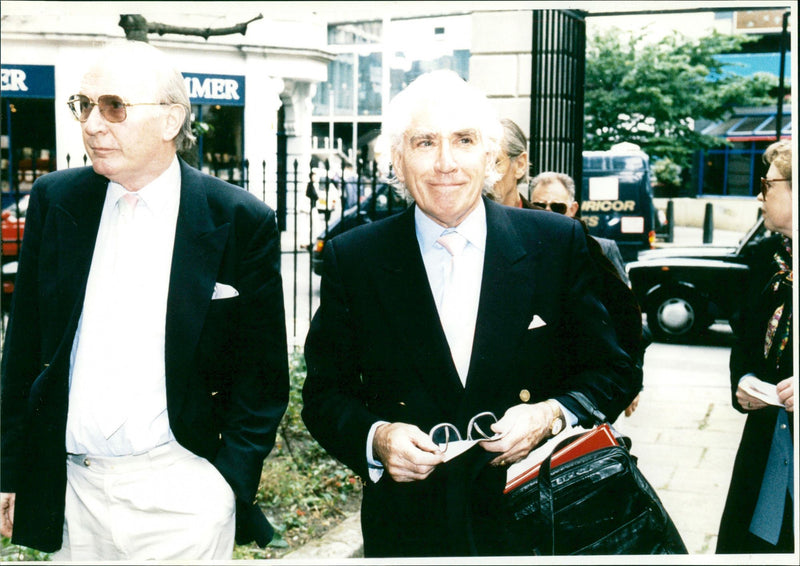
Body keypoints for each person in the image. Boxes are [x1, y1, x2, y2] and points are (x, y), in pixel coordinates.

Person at [301, 69, 641, 557]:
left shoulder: (554, 243)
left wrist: (550, 415)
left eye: (464, 140)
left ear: (492, 159)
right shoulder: (354, 259)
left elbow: (613, 369)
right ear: (397, 159)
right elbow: (325, 394)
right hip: (408, 530)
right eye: (424, 143)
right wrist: (378, 439)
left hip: (535, 520)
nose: (445, 163)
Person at [0, 41, 289, 560]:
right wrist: (9, 472)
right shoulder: (56, 201)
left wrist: (225, 485)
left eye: (113, 106)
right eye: (83, 105)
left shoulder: (238, 220)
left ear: (170, 120)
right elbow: (23, 351)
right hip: (74, 492)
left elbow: (263, 377)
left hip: (184, 494)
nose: (91, 124)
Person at [717, 139, 794, 554]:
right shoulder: (770, 259)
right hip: (766, 446)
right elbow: (743, 339)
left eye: (767, 186)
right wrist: (744, 380)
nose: (759, 196)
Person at [529, 171, 647, 415]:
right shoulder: (521, 249)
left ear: (572, 209)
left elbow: (628, 322)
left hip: (586, 385)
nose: (548, 212)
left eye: (557, 207)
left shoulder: (601, 248)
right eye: (540, 205)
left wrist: (634, 383)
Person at [493, 118, 531, 208]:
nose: (484, 174)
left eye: (494, 163)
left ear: (520, 165)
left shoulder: (544, 221)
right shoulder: (457, 220)